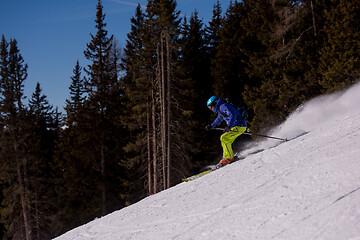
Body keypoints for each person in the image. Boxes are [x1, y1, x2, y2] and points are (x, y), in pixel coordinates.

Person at [206, 96, 247, 167]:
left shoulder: (223, 106)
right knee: (225, 140)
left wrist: (229, 126)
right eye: (209, 108)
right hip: (237, 126)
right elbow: (218, 119)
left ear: (215, 103)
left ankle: (228, 158)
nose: (211, 109)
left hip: (239, 126)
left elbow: (232, 115)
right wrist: (211, 126)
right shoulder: (220, 109)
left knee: (224, 138)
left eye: (210, 107)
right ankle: (227, 156)